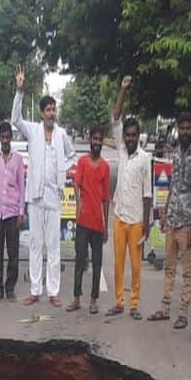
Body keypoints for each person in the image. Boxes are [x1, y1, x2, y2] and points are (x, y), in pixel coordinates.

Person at [11, 67, 75, 307]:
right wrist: (19, 90)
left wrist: (62, 169)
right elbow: (15, 119)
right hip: (35, 198)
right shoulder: (33, 131)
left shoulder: (62, 134)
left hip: (54, 198)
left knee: (54, 246)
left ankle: (53, 291)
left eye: (53, 109)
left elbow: (72, 157)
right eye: (48, 110)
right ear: (41, 112)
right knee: (36, 245)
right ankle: (35, 290)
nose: (51, 113)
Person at [149, 110, 191, 329]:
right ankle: (165, 309)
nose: (184, 132)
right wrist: (164, 213)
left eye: (187, 128)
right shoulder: (175, 154)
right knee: (169, 268)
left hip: (186, 224)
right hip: (172, 219)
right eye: (181, 128)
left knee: (187, 271)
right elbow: (172, 185)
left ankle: (183, 312)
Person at [106, 75, 153, 319]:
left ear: (139, 136)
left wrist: (146, 224)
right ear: (125, 136)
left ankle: (134, 304)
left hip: (136, 222)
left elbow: (148, 194)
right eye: (128, 135)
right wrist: (122, 89)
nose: (131, 138)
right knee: (118, 264)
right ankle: (119, 302)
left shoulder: (145, 159)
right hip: (119, 217)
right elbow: (115, 117)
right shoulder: (122, 151)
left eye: (134, 135)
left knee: (136, 267)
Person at [67, 126, 111, 314]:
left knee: (97, 262)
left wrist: (106, 226)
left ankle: (94, 300)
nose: (97, 143)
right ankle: (76, 298)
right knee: (79, 260)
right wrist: (78, 203)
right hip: (83, 221)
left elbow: (106, 199)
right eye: (94, 139)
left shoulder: (105, 167)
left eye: (100, 140)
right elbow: (76, 184)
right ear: (90, 140)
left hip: (98, 224)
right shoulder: (83, 162)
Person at [0, 121, 25, 301]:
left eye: (7, 137)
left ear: (11, 138)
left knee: (13, 253)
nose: (5, 140)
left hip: (12, 212)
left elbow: (21, 186)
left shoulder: (17, 159)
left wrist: (21, 211)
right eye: (2, 137)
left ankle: (10, 288)